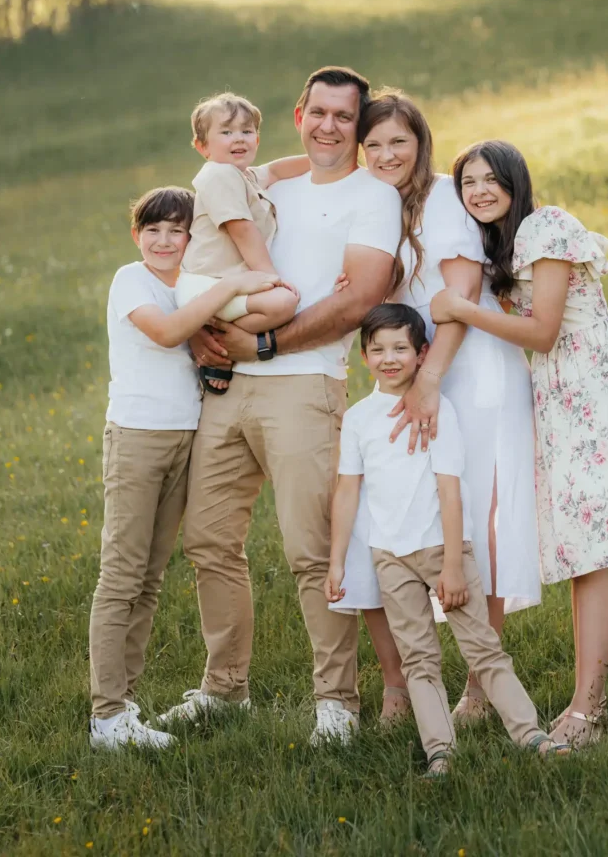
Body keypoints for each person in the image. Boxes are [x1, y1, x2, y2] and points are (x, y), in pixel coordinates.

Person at [154, 67, 402, 745]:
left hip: (303, 385)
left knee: (312, 548)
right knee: (208, 540)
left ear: (358, 126)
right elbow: (202, 246)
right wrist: (205, 337)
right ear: (299, 116)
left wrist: (262, 344)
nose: (328, 126)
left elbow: (358, 299)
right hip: (225, 386)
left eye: (344, 116)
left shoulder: (373, 195)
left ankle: (337, 704)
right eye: (318, 112)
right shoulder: (262, 181)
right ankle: (223, 689)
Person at [431, 141, 608, 746]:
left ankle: (589, 709)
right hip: (554, 399)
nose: (479, 190)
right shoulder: (500, 247)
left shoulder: (546, 227)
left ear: (516, 182)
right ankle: (512, 691)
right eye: (467, 182)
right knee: (572, 548)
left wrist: (461, 308)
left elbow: (542, 332)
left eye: (491, 179)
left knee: (589, 552)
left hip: (589, 392)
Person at [331, 93, 540, 725]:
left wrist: (429, 381)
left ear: (421, 143)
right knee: (393, 512)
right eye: (372, 145)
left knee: (473, 517)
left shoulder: (443, 197)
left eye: (399, 141)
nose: (385, 155)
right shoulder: (382, 202)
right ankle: (402, 683)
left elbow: (462, 293)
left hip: (468, 369)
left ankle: (480, 685)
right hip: (418, 367)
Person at [325, 304, 569, 774]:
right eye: (378, 350)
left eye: (401, 348)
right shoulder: (358, 419)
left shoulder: (438, 410)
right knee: (418, 659)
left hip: (442, 548)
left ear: (422, 354)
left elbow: (450, 489)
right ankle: (441, 751)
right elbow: (347, 491)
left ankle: (530, 734)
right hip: (390, 557)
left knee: (483, 648)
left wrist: (454, 563)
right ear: (364, 356)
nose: (389, 358)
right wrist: (337, 562)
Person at [89, 186, 277, 749]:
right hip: (137, 440)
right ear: (136, 235)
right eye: (154, 230)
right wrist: (232, 285)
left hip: (184, 439)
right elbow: (168, 332)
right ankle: (106, 715)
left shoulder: (191, 287)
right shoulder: (132, 280)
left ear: (192, 238)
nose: (165, 241)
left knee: (149, 579)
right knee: (121, 576)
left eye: (177, 231)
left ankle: (125, 707)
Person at [176, 90, 308, 392]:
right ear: (203, 146)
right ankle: (221, 347)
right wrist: (270, 279)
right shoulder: (218, 175)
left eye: (247, 132)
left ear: (257, 140)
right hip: (206, 285)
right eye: (226, 132)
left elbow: (275, 170)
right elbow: (243, 231)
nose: (239, 138)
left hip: (227, 284)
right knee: (283, 303)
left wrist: (334, 162)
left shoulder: (244, 176)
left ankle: (214, 340)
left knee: (281, 304)